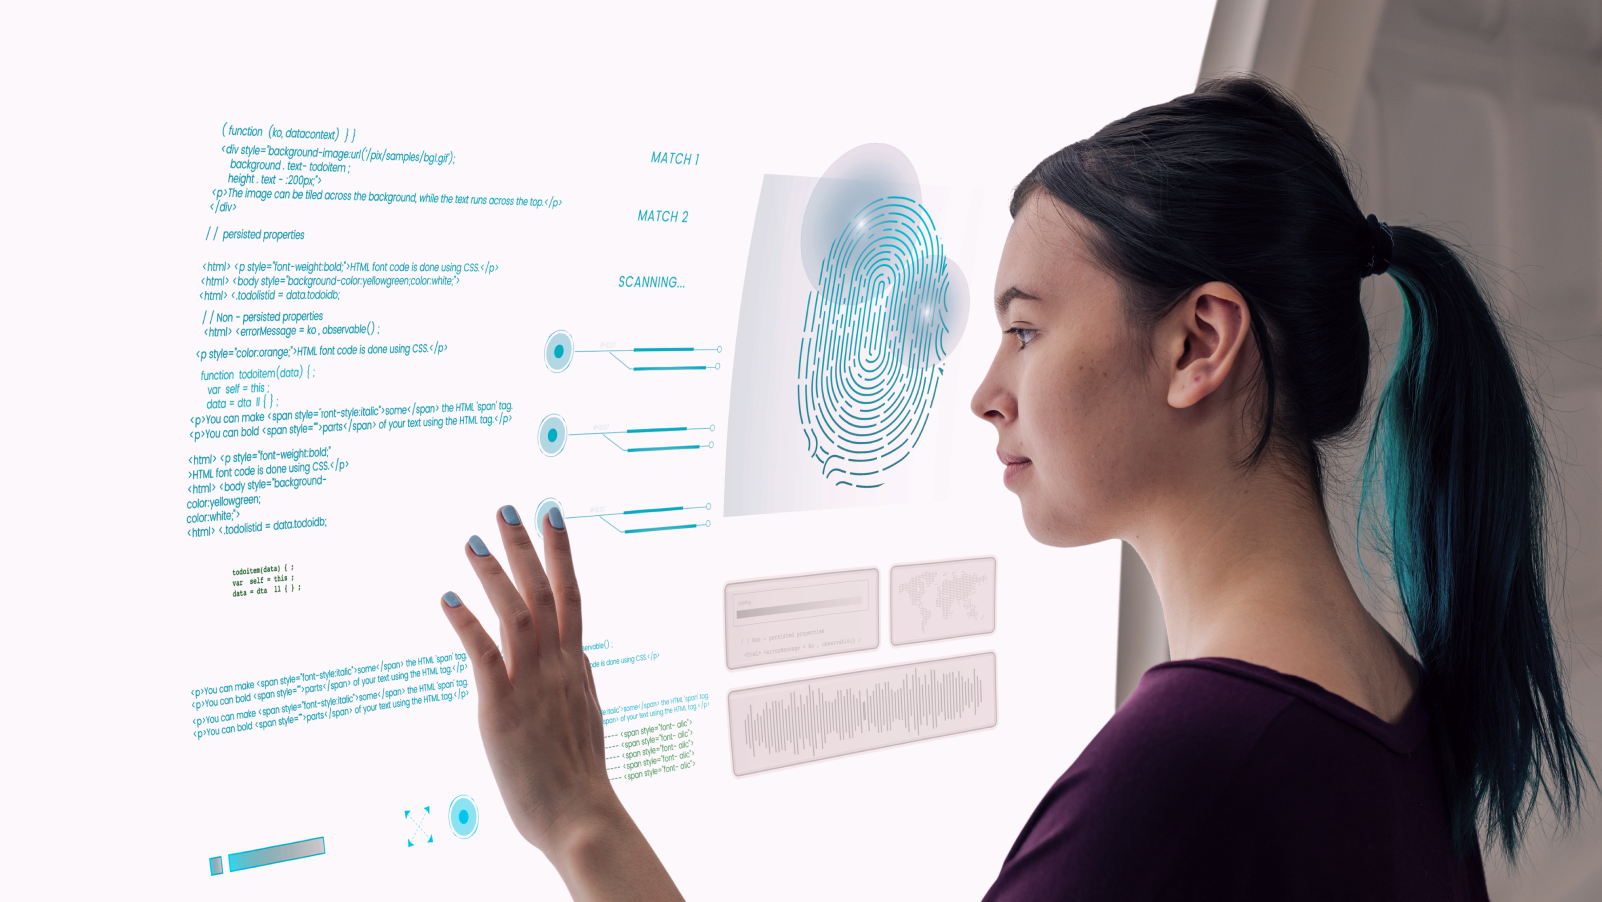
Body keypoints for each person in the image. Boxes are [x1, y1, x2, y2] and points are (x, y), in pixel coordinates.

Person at [436, 78, 1590, 900]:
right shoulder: (1394, 700)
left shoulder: (1186, 766)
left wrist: (581, 821)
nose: (986, 392)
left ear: (1200, 342)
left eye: (1026, 329)